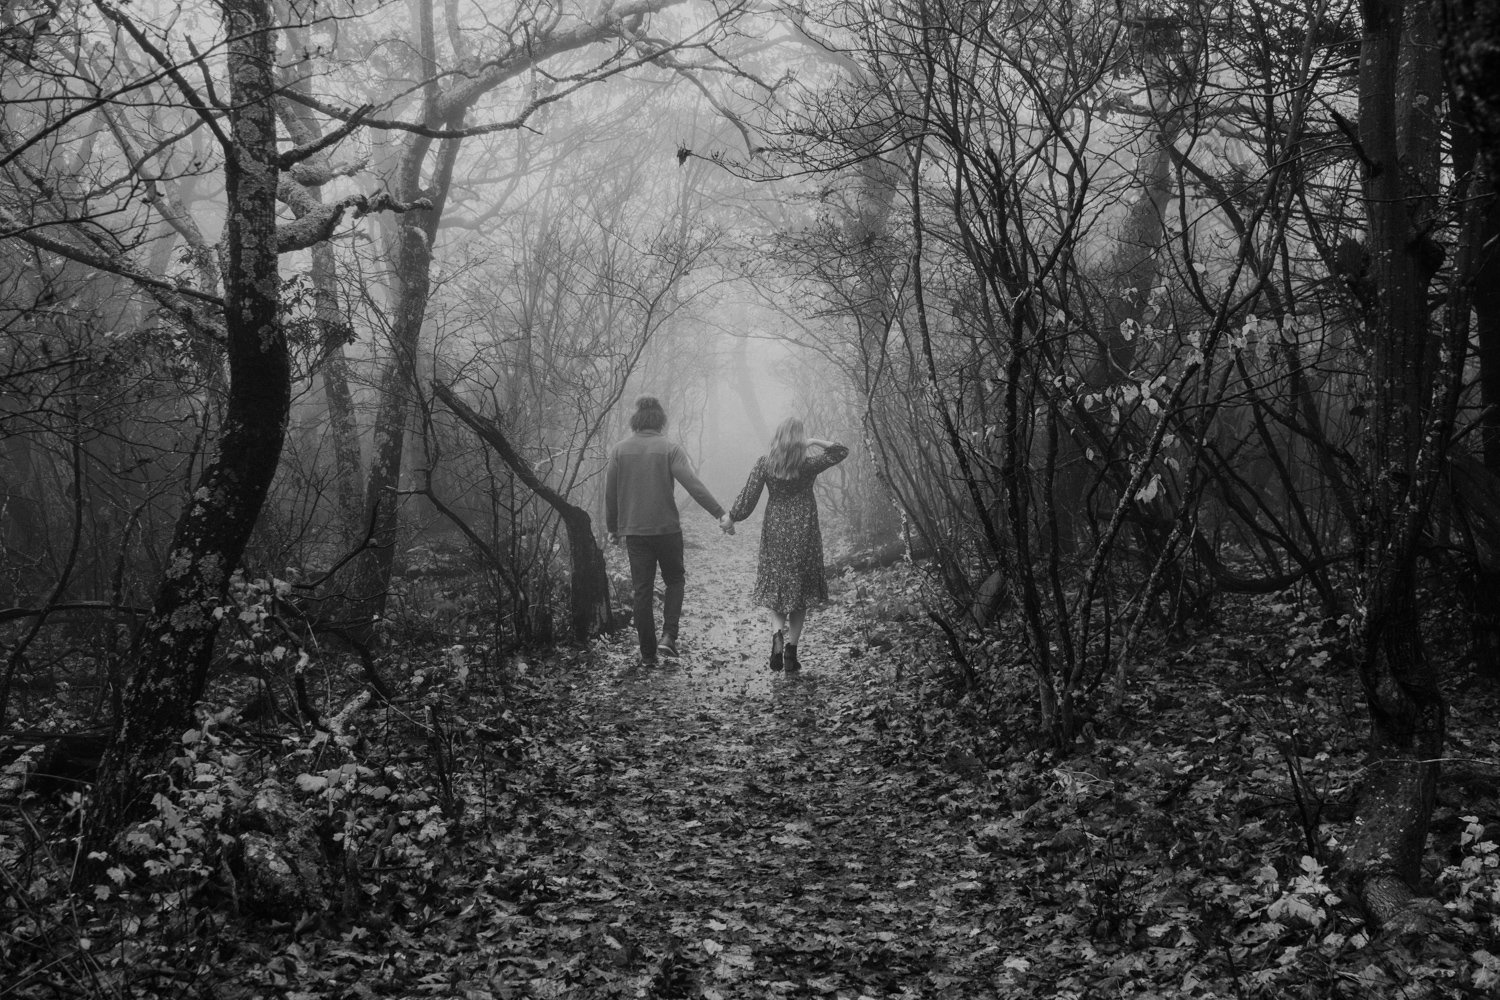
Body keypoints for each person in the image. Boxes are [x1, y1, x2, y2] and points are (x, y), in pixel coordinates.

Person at [606, 396, 734, 666]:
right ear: (660, 421)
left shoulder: (619, 450)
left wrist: (612, 528)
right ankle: (668, 637)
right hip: (667, 530)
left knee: (642, 590)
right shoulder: (669, 449)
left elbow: (610, 494)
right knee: (675, 580)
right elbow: (693, 485)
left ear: (636, 421)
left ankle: (648, 654)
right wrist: (720, 513)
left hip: (636, 532)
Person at [729, 417, 849, 673]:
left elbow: (748, 498)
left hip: (776, 529)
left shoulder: (765, 463)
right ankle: (791, 652)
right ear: (798, 440)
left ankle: (776, 637)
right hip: (803, 529)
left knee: (778, 588)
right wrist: (815, 441)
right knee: (800, 593)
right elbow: (841, 451)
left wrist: (731, 516)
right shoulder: (808, 465)